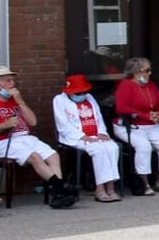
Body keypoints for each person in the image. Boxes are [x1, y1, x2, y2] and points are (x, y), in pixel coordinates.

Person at [0, 66, 75, 209]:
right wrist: (4, 125)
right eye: (8, 81)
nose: (12, 84)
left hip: (25, 137)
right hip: (2, 142)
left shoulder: (14, 100)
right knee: (34, 157)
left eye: (13, 80)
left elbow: (33, 122)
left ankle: (59, 194)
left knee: (53, 155)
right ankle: (61, 188)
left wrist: (20, 102)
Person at [52, 74, 124, 202]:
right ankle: (100, 188)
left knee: (112, 147)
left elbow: (98, 118)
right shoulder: (59, 100)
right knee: (99, 150)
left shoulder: (89, 97)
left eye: (84, 92)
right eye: (78, 92)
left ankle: (111, 187)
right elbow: (62, 124)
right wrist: (82, 136)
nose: (82, 95)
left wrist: (102, 132)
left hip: (95, 134)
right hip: (75, 137)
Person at [114, 57, 159, 194]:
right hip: (130, 125)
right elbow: (122, 107)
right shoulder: (126, 85)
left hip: (151, 124)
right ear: (136, 71)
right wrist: (146, 115)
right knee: (144, 147)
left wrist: (158, 114)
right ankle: (144, 183)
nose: (149, 73)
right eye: (147, 70)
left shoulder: (150, 85)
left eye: (150, 70)